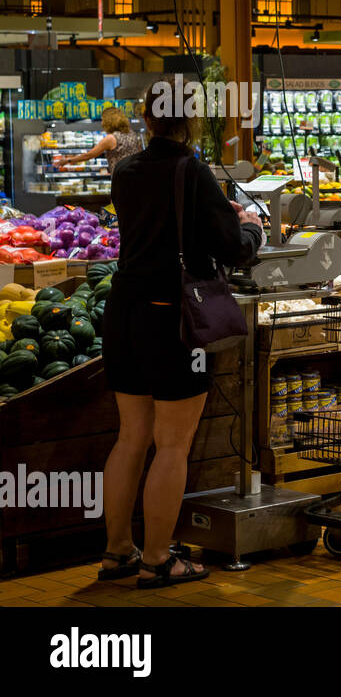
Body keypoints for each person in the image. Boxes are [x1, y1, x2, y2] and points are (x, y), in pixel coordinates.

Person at [100, 80, 264, 588]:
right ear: (190, 120)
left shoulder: (124, 169)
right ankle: (157, 560)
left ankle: (117, 552)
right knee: (172, 444)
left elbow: (154, 229)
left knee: (131, 437)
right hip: (172, 316)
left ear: (146, 119)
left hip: (124, 309)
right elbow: (232, 249)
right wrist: (251, 226)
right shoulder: (190, 170)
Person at [56, 106, 144, 174]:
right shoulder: (132, 134)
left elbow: (89, 155)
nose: (102, 123)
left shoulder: (111, 138)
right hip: (136, 176)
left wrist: (68, 161)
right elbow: (140, 152)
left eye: (103, 120)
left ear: (109, 121)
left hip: (121, 179)